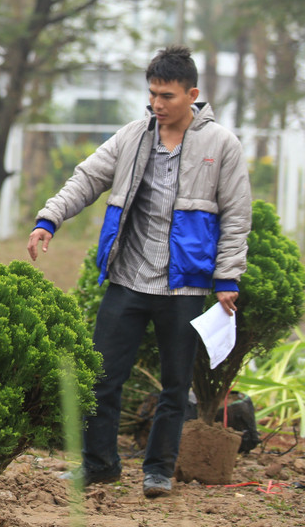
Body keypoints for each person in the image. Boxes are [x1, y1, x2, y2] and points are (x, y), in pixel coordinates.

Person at [27, 46, 251, 498]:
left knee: (175, 387)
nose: (157, 104)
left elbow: (237, 216)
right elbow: (87, 178)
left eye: (167, 95)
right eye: (152, 94)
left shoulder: (221, 145)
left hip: (184, 285)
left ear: (193, 94)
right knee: (103, 377)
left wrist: (227, 279)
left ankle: (158, 470)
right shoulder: (132, 136)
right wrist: (48, 218)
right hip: (126, 280)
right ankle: (100, 465)